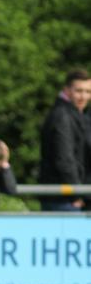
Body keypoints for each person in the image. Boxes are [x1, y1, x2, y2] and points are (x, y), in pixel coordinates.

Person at [39, 68, 91, 212]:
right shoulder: (62, 116)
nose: (83, 96)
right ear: (67, 90)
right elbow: (64, 159)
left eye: (88, 92)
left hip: (72, 196)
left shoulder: (77, 115)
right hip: (64, 199)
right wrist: (77, 194)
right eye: (79, 91)